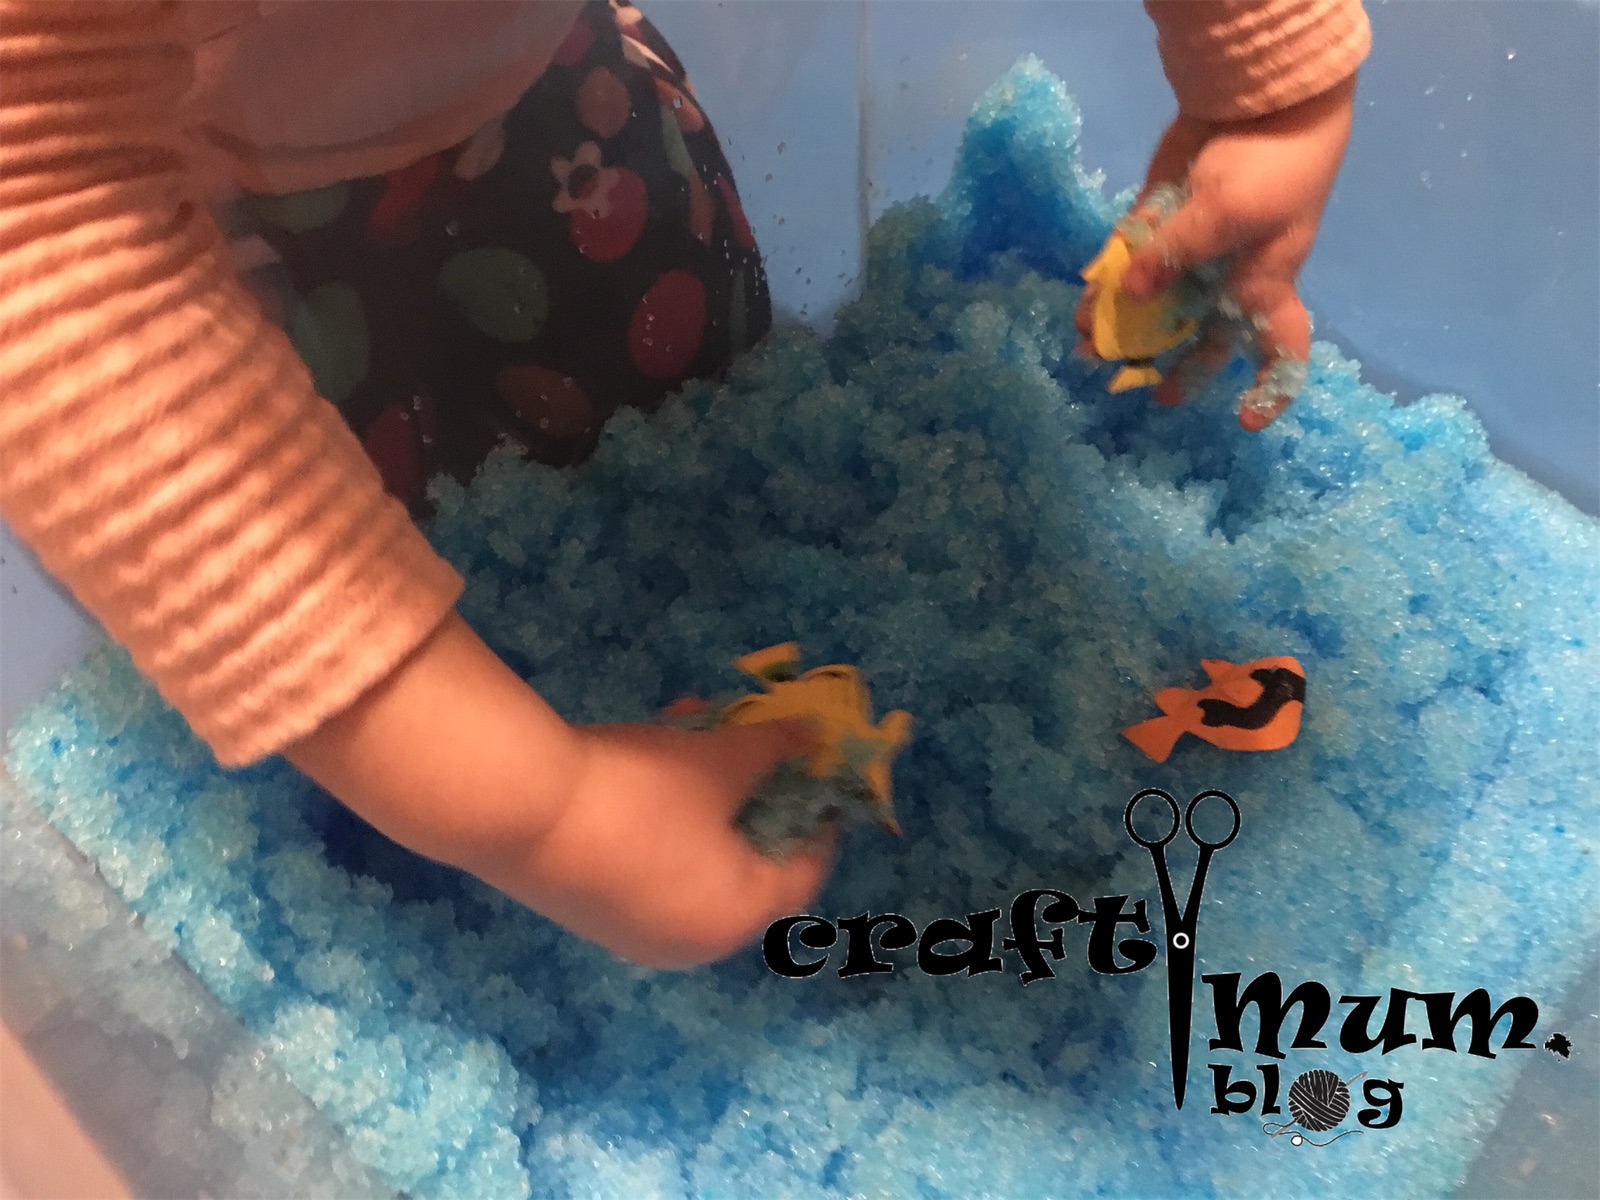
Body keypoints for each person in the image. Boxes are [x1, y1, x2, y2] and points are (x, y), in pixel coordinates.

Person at [0, 0, 1368, 969]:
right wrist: (536, 808)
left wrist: (1266, 80)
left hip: (546, 89)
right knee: (364, 580)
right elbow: (40, 222)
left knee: (679, 369)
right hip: (168, 232)